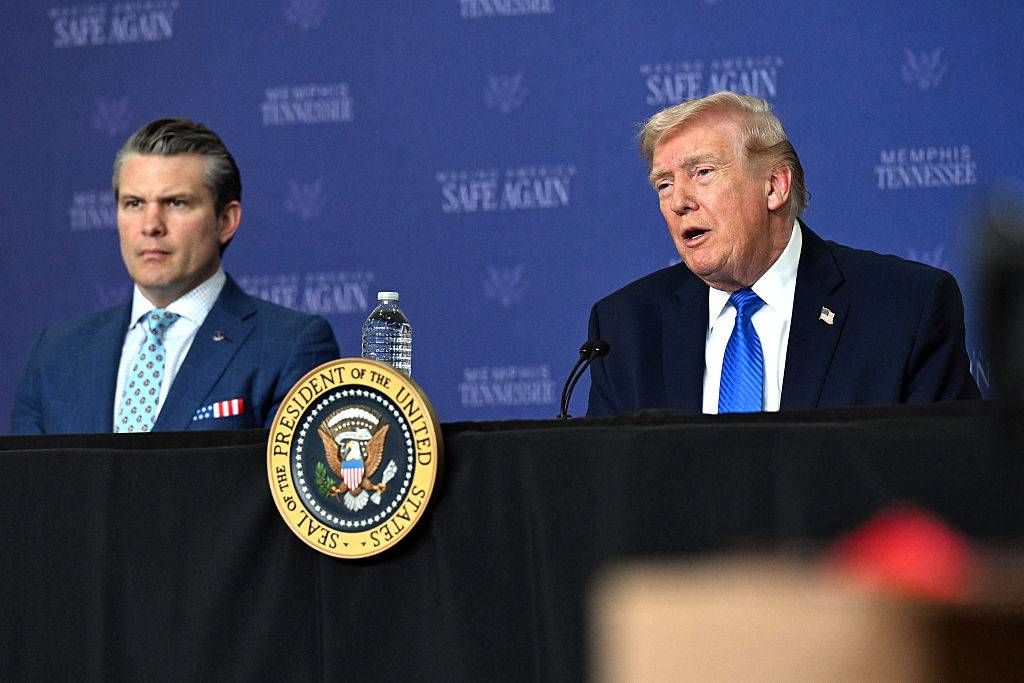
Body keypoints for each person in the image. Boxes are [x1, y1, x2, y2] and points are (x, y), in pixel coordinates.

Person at [586, 92, 979, 417]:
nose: (678, 202)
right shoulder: (624, 328)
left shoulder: (904, 308)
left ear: (774, 186)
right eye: (664, 184)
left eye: (702, 172)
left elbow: (945, 472)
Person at [11, 118, 340, 434]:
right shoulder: (55, 355)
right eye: (134, 203)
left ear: (225, 221)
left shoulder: (290, 347)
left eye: (176, 203)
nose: (151, 225)